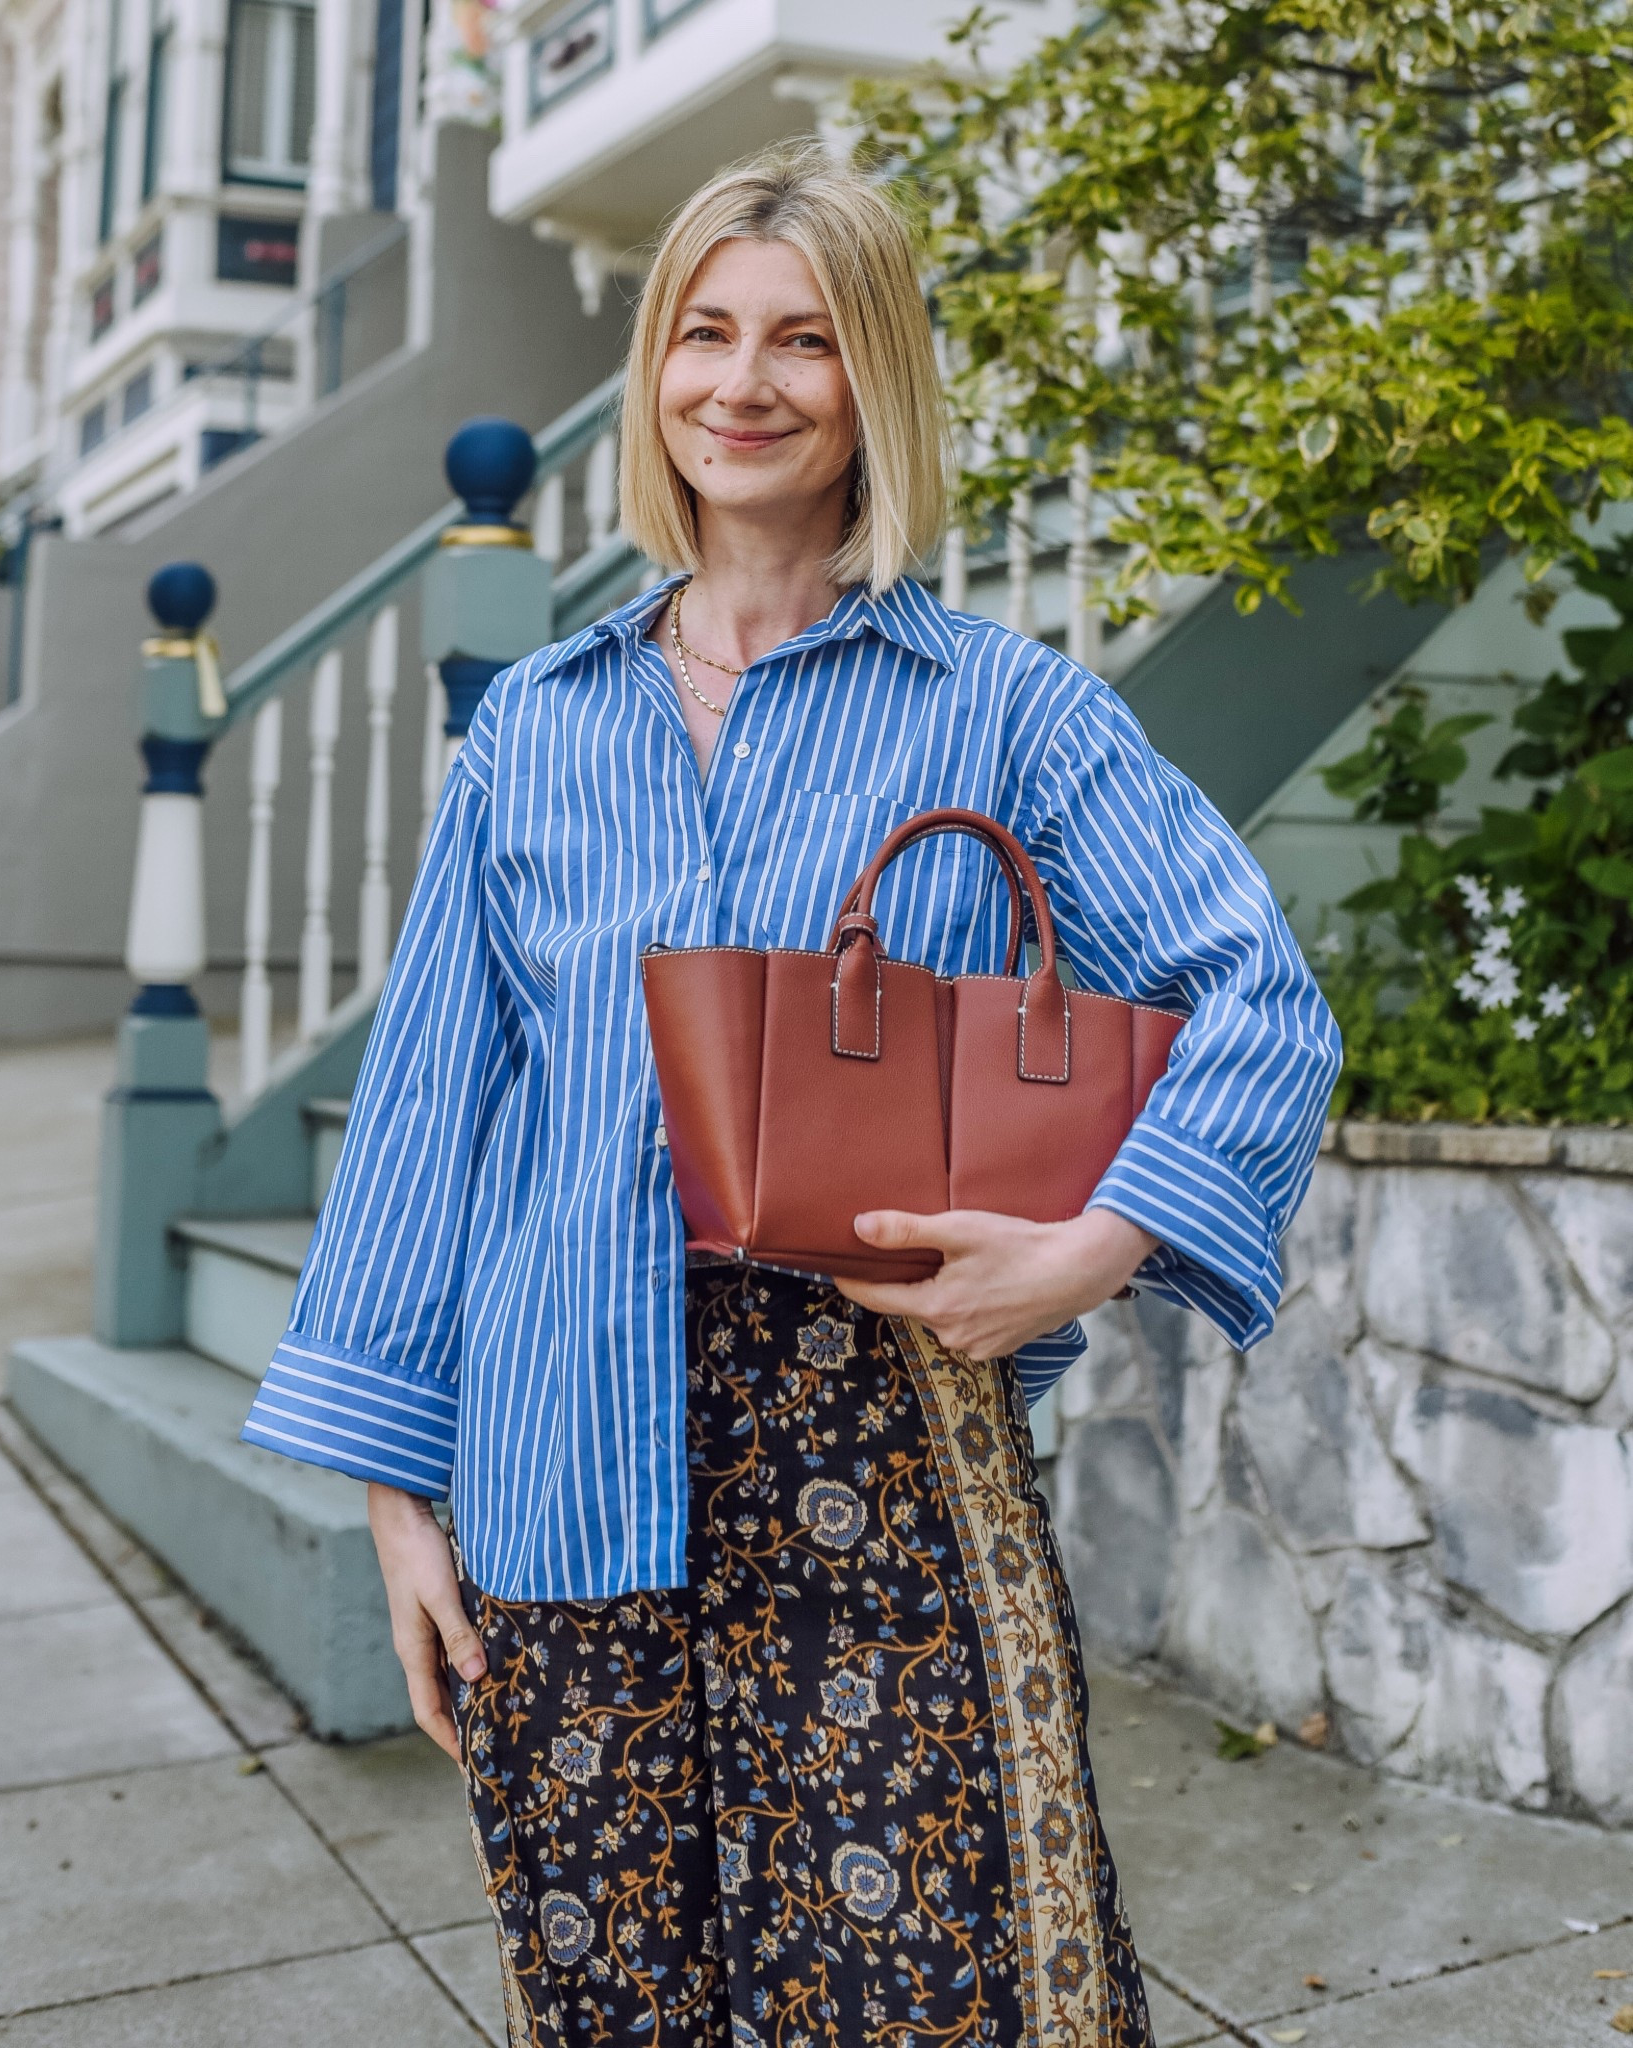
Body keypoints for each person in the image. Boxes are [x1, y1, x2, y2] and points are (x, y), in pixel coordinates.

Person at [241, 143, 1341, 2048]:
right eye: (704, 332)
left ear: (875, 382)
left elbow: (1261, 994)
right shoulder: (538, 729)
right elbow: (434, 1110)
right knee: (617, 1995)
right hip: (561, 1445)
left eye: (805, 342)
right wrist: (399, 1502)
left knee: (933, 1993)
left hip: (887, 1449)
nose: (741, 384)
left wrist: (1088, 1250)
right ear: (657, 369)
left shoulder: (1007, 709)